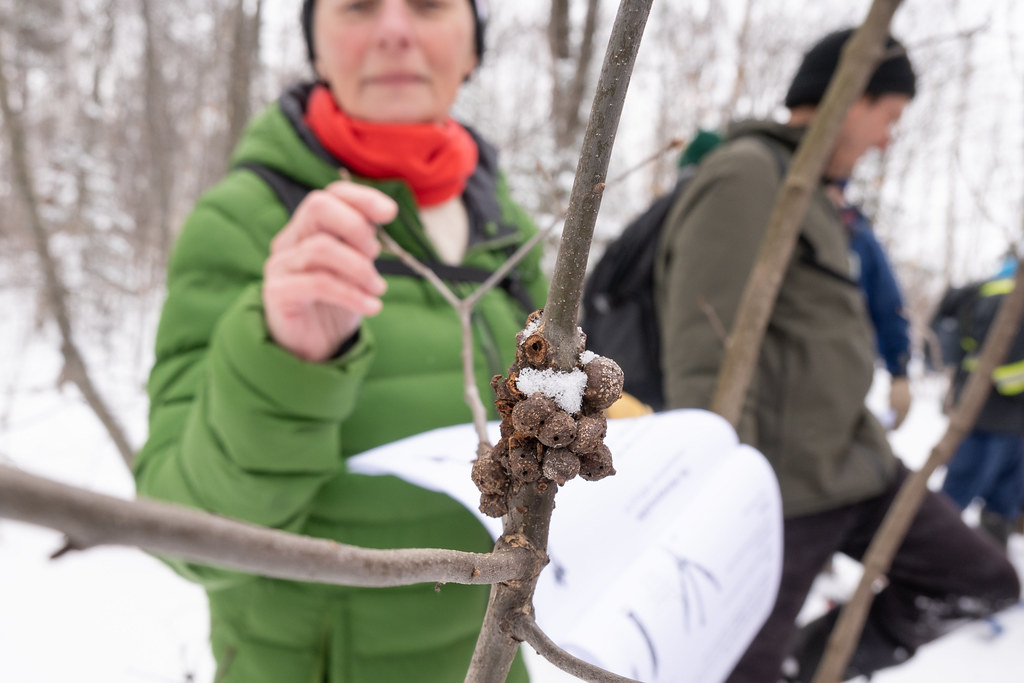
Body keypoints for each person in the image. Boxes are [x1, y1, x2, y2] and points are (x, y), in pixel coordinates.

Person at [132, 2, 547, 681]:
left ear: (473, 48)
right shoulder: (244, 219)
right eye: (357, 4)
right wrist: (283, 362)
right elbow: (183, 531)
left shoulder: (507, 222)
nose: (393, 28)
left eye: (428, 3)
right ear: (316, 49)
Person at [653, 27, 1020, 683]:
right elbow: (705, 346)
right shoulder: (748, 175)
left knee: (982, 579)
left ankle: (806, 661)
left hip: (857, 467)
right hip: (784, 490)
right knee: (739, 670)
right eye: (890, 116)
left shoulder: (820, 198)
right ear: (849, 97)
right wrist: (729, 497)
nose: (889, 138)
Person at [933, 254, 1024, 547]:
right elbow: (1003, 362)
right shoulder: (1003, 297)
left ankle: (986, 573)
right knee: (956, 499)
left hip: (1006, 425)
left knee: (1000, 504)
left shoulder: (986, 291)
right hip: (987, 422)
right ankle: (932, 562)